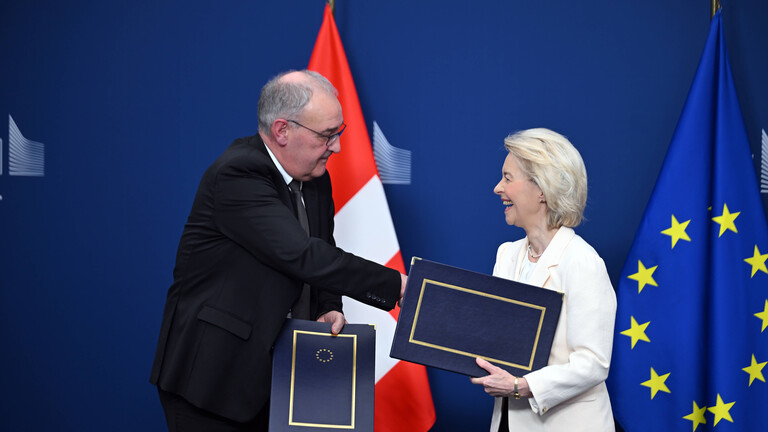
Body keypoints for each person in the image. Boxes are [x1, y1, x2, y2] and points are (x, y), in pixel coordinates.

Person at [149, 70, 406, 432]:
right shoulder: (238, 174)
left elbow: (323, 248)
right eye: (326, 135)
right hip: (214, 380)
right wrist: (396, 286)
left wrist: (328, 306)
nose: (336, 147)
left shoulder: (315, 177)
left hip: (282, 380)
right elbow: (301, 255)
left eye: (339, 133)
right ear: (282, 131)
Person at [470, 128, 617, 431]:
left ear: (542, 189)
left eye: (508, 178)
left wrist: (520, 385)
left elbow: (593, 363)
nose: (498, 188)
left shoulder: (582, 262)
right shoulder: (507, 255)